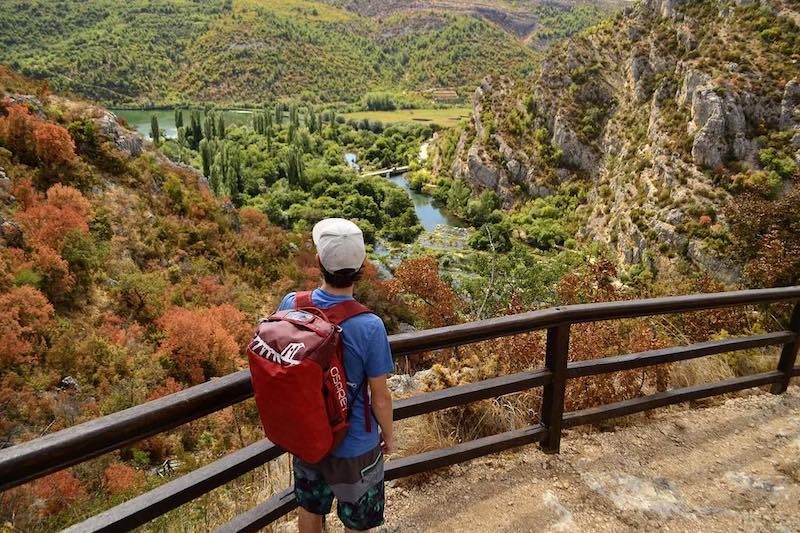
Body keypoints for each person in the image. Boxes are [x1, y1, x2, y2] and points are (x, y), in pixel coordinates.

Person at [276, 218, 394, 533]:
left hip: (309, 435)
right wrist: (389, 435)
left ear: (319, 261)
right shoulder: (370, 326)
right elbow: (380, 397)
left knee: (310, 508)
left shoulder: (292, 304)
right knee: (357, 522)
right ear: (362, 268)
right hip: (355, 445)